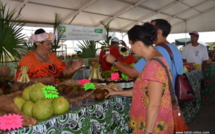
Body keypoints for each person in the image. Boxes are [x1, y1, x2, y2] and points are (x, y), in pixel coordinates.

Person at [103, 23, 174, 133]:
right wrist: (115, 92)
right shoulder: (156, 59)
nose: (131, 48)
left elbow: (154, 105)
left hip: (152, 126)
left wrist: (148, 131)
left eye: (131, 44)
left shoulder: (153, 65)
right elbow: (143, 91)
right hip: (148, 122)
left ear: (139, 43)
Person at [105, 19, 183, 93]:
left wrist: (114, 61)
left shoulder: (156, 52)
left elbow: (133, 72)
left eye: (150, 29)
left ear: (158, 32)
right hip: (173, 94)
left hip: (162, 97)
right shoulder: (174, 48)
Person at [15, 28, 83, 85]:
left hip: (53, 92)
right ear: (39, 44)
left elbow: (63, 72)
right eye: (48, 44)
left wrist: (72, 68)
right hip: (36, 95)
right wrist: (41, 80)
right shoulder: (27, 59)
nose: (51, 47)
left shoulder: (52, 56)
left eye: (51, 44)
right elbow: (19, 80)